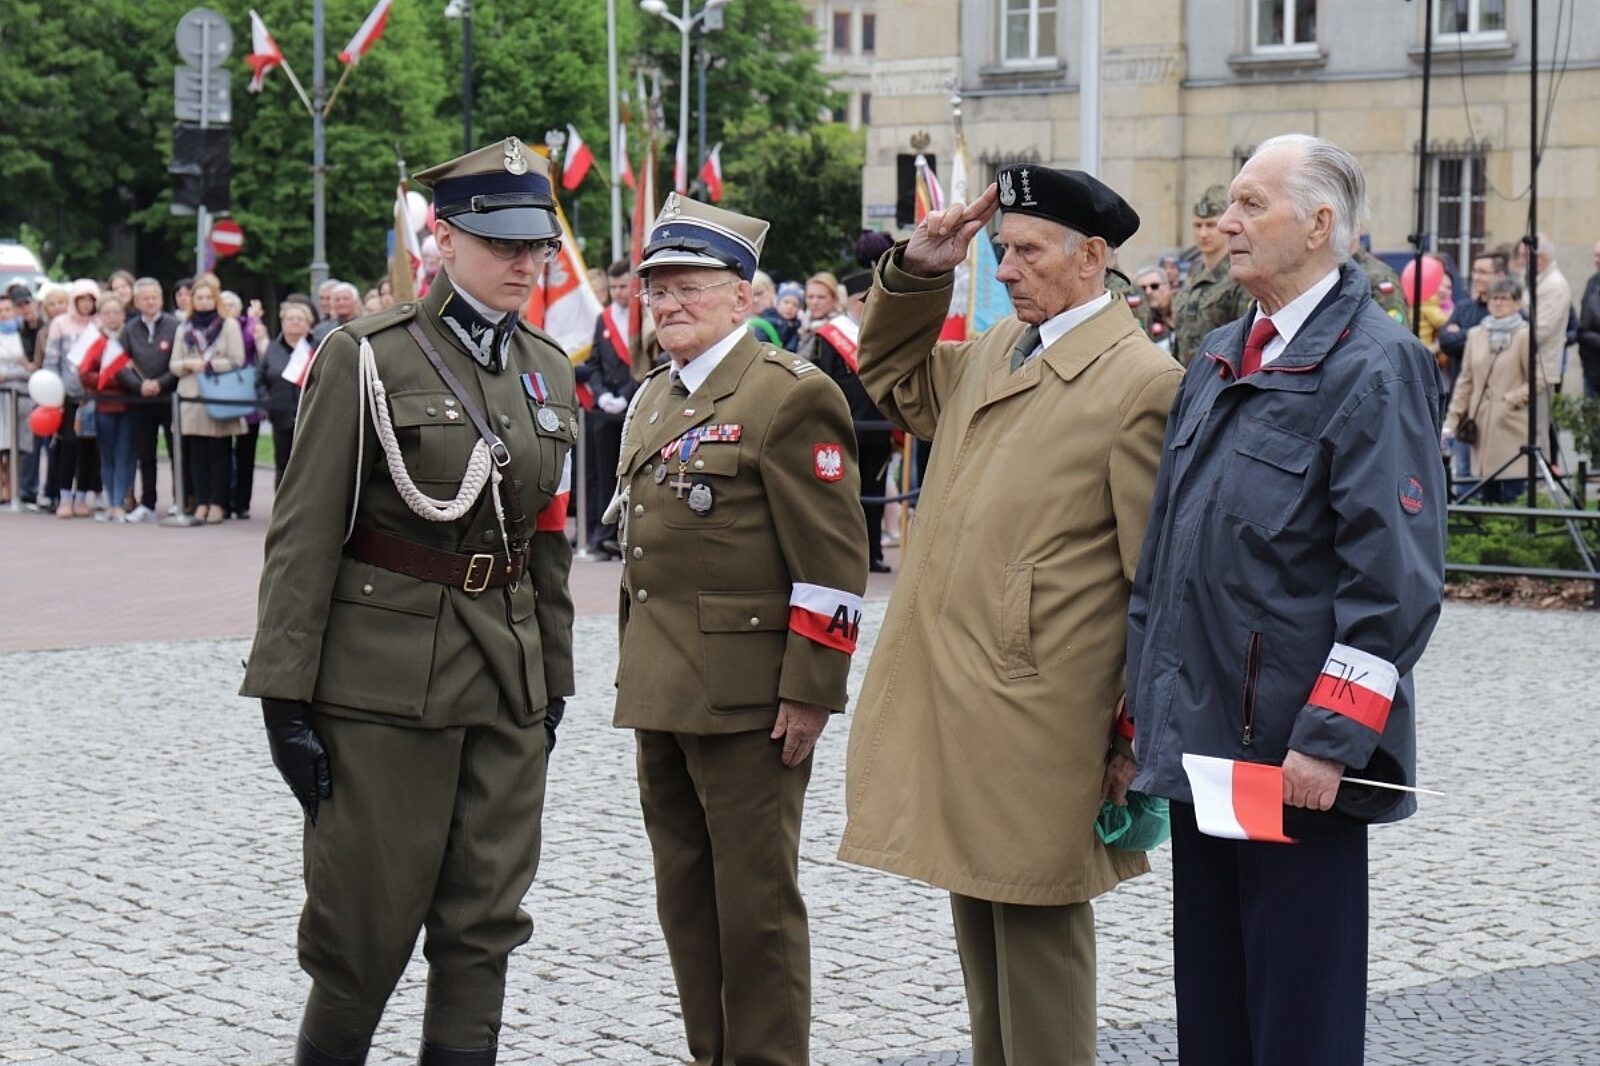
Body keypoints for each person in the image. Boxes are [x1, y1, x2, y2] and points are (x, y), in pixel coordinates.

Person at [239, 137, 577, 1066]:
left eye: (536, 245)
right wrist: (283, 692)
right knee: (364, 923)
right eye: (502, 243)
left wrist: (554, 681)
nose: (524, 262)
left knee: (486, 921)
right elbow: (304, 533)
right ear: (445, 239)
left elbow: (545, 543)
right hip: (385, 686)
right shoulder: (367, 357)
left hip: (507, 683)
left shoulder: (548, 368)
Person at [838, 165, 1182, 1064]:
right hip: (962, 693)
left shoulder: (1141, 381)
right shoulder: (1000, 348)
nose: (1007, 269)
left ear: (1093, 256)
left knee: (1038, 944)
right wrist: (919, 273)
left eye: (1028, 250)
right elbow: (895, 379)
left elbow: (1157, 581)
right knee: (983, 936)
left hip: (1045, 711)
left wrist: (1134, 734)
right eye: (1001, 249)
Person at [1125, 134, 1446, 1066]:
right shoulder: (1222, 355)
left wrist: (1330, 739)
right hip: (1207, 741)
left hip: (1293, 757)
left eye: (1251, 204)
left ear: (1318, 225)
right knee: (1216, 1005)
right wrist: (1144, 706)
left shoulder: (1376, 365)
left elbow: (1394, 584)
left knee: (1298, 1012)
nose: (1226, 221)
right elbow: (1167, 555)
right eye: (1230, 203)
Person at [609, 193, 868, 1066]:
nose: (670, 303)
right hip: (661, 687)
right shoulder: (655, 396)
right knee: (684, 898)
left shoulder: (787, 395)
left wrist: (811, 692)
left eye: (691, 287)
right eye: (657, 289)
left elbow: (832, 562)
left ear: (744, 296)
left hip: (752, 702)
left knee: (755, 908)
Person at [808, 271, 892, 571]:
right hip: (843, 428)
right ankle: (840, 555)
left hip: (879, 429)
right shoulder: (830, 337)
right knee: (841, 495)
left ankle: (872, 554)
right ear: (852, 302)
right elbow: (821, 382)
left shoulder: (884, 335)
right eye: (864, 301)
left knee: (875, 492)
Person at [1443, 277, 1535, 503]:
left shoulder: (1524, 335)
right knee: (1485, 490)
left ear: (1517, 303)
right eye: (1494, 298)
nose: (1498, 303)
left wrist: (1510, 400)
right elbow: (1465, 381)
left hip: (1511, 424)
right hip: (1481, 423)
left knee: (1511, 489)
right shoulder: (1476, 335)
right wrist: (1452, 419)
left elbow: (1537, 380)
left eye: (1505, 298)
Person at [169, 276, 246, 524]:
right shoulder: (184, 328)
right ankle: (201, 501)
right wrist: (189, 364)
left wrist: (210, 364)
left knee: (219, 452)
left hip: (218, 394)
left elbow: (237, 359)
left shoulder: (228, 325)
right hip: (191, 396)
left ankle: (217, 503)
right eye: (199, 297)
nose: (203, 302)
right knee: (196, 454)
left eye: (208, 297)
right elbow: (174, 364)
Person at [576, 259, 635, 556]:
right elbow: (595, 362)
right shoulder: (605, 318)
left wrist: (626, 395)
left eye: (623, 286)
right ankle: (602, 535)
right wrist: (600, 395)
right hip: (604, 408)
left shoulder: (642, 318)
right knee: (601, 473)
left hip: (632, 404)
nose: (618, 292)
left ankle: (625, 533)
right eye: (614, 287)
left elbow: (646, 362)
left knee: (628, 474)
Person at [1437, 253, 1506, 479]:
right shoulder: (1464, 308)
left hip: (1495, 408)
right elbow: (1446, 341)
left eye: (1483, 272)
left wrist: (1464, 334)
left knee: (1494, 476)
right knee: (1464, 474)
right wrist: (1476, 335)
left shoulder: (1509, 313)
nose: (1476, 277)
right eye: (1475, 271)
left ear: (1499, 275)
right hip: (1465, 406)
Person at [119, 277, 180, 521]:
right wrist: (139, 385)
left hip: (169, 399)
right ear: (136, 302)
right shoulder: (129, 329)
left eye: (154, 297)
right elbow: (120, 362)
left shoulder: (175, 326)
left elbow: (179, 361)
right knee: (145, 454)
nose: (150, 302)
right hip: (141, 401)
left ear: (161, 299)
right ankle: (148, 503)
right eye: (145, 298)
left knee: (177, 451)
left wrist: (160, 383)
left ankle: (179, 500)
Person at [1170, 183, 1252, 366]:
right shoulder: (1193, 274)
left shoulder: (1238, 276)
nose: (1203, 233)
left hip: (1218, 374)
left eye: (1210, 225)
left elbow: (1245, 338)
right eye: (1197, 225)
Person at [43, 278, 104, 518]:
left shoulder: (99, 324)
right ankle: (65, 496)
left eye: (91, 300)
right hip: (67, 396)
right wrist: (53, 391)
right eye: (82, 299)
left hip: (94, 396)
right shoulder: (60, 324)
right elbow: (51, 361)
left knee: (90, 447)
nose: (86, 304)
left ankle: (82, 497)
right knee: (67, 444)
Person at [78, 292, 137, 522]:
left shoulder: (130, 337)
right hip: (103, 405)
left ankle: (119, 502)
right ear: (100, 316)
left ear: (123, 314)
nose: (112, 317)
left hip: (129, 405)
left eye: (116, 312)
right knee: (106, 454)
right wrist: (112, 379)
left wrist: (123, 379)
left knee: (125, 454)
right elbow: (85, 374)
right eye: (107, 312)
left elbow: (137, 369)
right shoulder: (96, 341)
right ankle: (110, 501)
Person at [257, 299, 314, 487]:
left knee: (309, 465)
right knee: (283, 465)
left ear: (309, 323)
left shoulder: (317, 348)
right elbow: (260, 380)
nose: (295, 322)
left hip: (310, 416)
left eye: (300, 319)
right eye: (290, 318)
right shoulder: (273, 348)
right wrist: (268, 404)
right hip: (280, 417)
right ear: (282, 322)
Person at [221, 290, 266, 519]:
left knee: (246, 453)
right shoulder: (216, 328)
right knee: (222, 452)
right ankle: (223, 499)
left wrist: (253, 319)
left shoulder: (250, 325)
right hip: (221, 394)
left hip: (247, 393)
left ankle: (241, 502)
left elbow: (249, 341)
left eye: (232, 305)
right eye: (224, 304)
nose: (228, 309)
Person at [1132, 264, 1176, 352]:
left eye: (1154, 286)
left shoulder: (1185, 309)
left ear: (1168, 286)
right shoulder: (1137, 321)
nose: (1148, 291)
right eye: (1143, 288)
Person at [1577, 239, 1600, 398]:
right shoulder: (1592, 282)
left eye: (1599, 256)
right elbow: (1584, 323)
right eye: (1595, 256)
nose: (1596, 260)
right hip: (1592, 368)